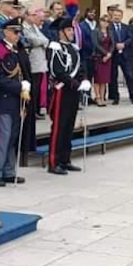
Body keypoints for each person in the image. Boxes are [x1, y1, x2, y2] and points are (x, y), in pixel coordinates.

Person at [0, 17, 30, 187]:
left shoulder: (15, 50)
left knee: (13, 137)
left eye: (19, 32)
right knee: (3, 137)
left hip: (16, 99)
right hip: (3, 99)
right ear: (6, 32)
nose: (18, 35)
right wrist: (19, 87)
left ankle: (9, 171)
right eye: (15, 32)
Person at [47, 17, 89, 175]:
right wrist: (75, 83)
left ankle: (65, 159)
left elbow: (80, 67)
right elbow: (57, 71)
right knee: (59, 126)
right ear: (61, 32)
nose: (72, 33)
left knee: (69, 126)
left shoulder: (73, 48)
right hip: (61, 91)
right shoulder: (54, 47)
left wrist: (84, 79)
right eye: (69, 30)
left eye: (72, 30)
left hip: (72, 91)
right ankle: (53, 162)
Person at [108, 8, 133, 105]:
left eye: (119, 15)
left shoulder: (126, 27)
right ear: (112, 16)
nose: (117, 17)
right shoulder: (109, 27)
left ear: (121, 16)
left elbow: (130, 38)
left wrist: (124, 44)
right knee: (113, 77)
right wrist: (116, 44)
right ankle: (115, 97)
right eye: (115, 15)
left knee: (129, 76)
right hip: (114, 55)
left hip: (125, 55)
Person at [23, 7, 50, 119]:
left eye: (35, 15)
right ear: (26, 16)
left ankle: (36, 110)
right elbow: (32, 40)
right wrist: (41, 42)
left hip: (40, 62)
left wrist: (41, 42)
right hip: (32, 62)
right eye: (32, 15)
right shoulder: (24, 28)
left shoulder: (35, 27)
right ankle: (31, 111)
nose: (35, 17)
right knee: (32, 88)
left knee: (38, 88)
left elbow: (45, 39)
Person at [79, 7, 99, 101]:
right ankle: (84, 96)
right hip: (85, 54)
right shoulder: (82, 25)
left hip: (94, 55)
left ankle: (89, 96)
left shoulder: (96, 25)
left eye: (94, 13)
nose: (92, 14)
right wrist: (92, 48)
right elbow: (83, 40)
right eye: (90, 12)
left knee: (91, 76)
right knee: (85, 75)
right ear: (86, 13)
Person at [93, 15, 113, 106]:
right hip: (99, 57)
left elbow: (113, 44)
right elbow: (96, 44)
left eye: (107, 21)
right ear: (100, 21)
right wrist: (105, 53)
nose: (105, 23)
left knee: (104, 79)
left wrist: (109, 54)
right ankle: (97, 97)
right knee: (98, 79)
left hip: (108, 58)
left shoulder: (110, 32)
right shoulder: (95, 31)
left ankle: (102, 97)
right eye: (103, 21)